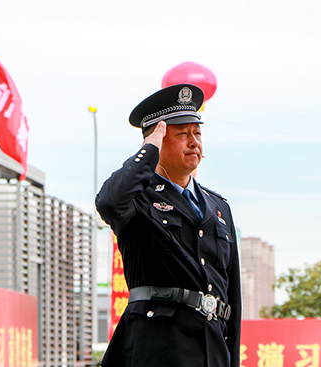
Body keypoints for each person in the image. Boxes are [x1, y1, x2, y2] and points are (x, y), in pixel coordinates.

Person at [96, 84, 241, 367]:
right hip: (158, 347)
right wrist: (148, 151)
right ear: (159, 141)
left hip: (211, 350)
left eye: (197, 133)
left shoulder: (219, 207)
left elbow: (231, 296)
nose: (193, 142)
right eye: (181, 134)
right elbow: (109, 203)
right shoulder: (139, 197)